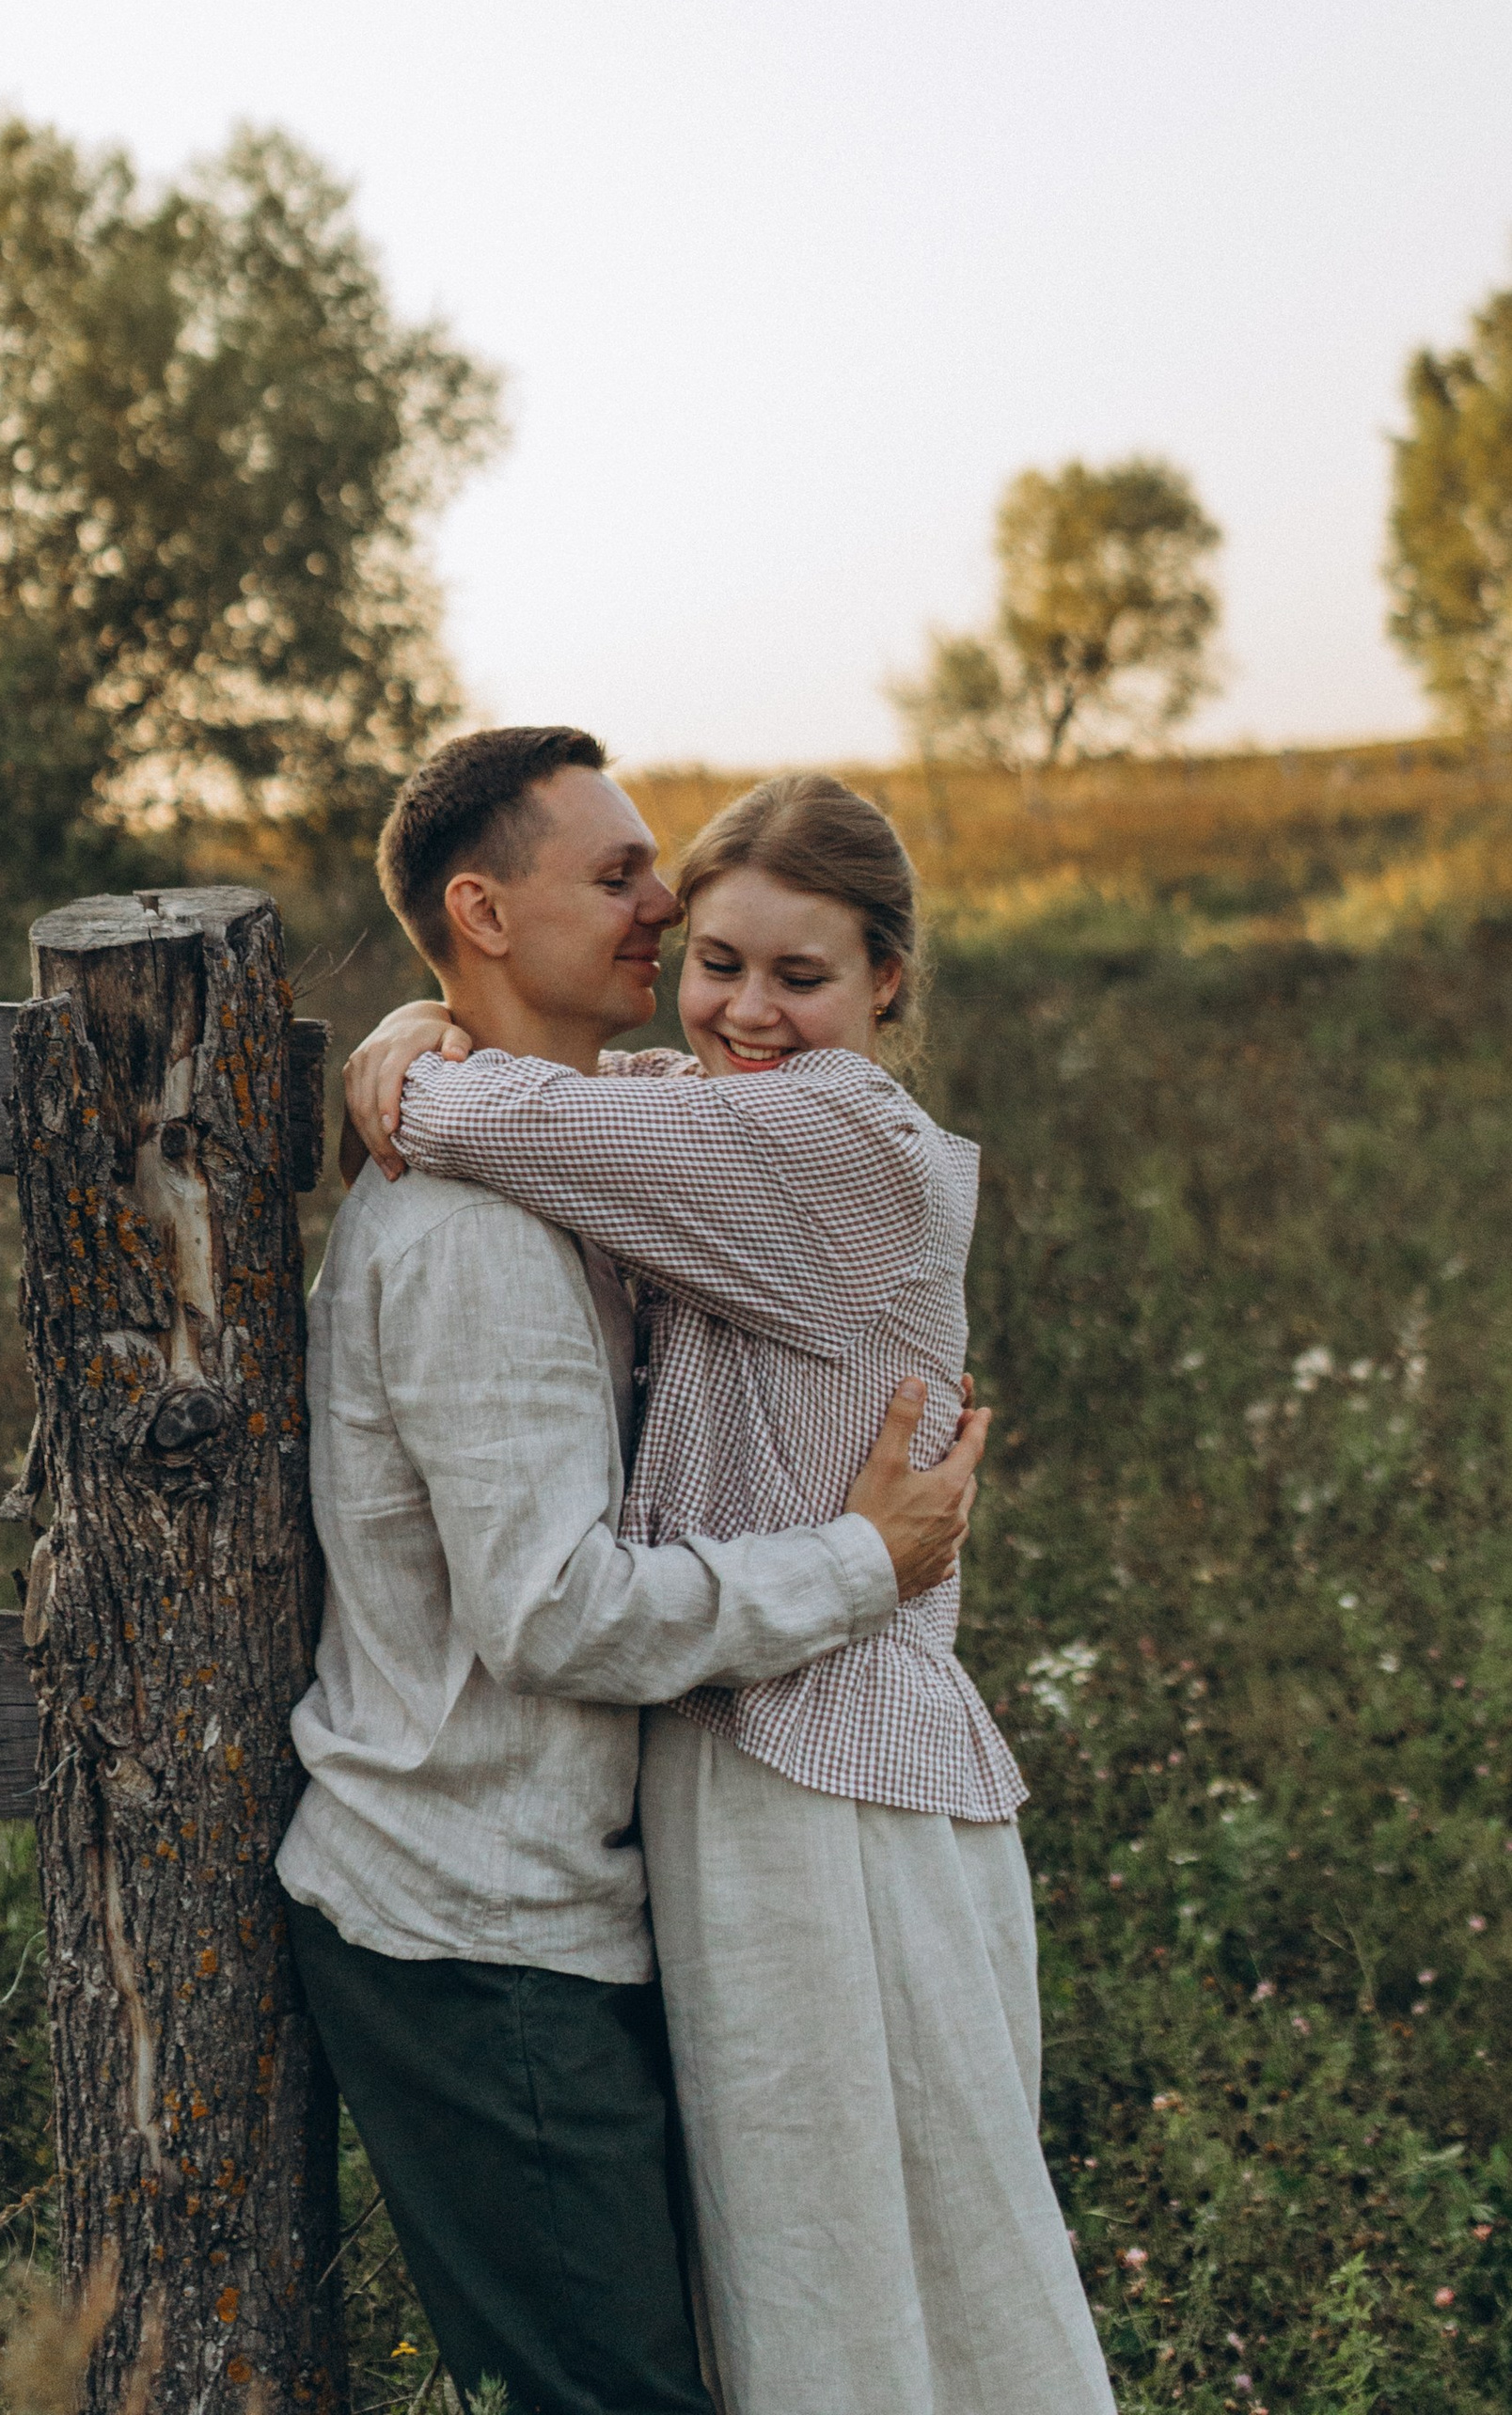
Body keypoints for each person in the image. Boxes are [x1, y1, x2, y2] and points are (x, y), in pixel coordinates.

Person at [346, 755, 1114, 2415]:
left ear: (888, 981)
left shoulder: (831, 1133)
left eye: (804, 975)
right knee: (824, 2278)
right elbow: (570, 1098)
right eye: (717, 959)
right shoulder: (692, 1129)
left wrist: (412, 1047)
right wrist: (429, 1029)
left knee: (875, 2286)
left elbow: (482, 1108)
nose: (750, 1011)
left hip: (823, 1776)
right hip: (750, 1755)